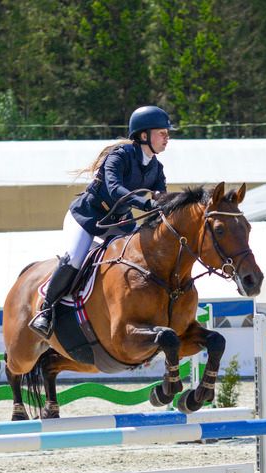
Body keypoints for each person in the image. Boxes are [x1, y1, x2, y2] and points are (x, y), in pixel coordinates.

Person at [29, 105, 174, 338]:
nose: (167, 138)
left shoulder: (156, 168)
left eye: (167, 134)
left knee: (140, 260)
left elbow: (162, 198)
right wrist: (146, 204)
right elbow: (115, 189)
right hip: (88, 217)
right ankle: (46, 310)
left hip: (120, 222)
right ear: (144, 135)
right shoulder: (119, 156)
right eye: (162, 133)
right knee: (75, 258)